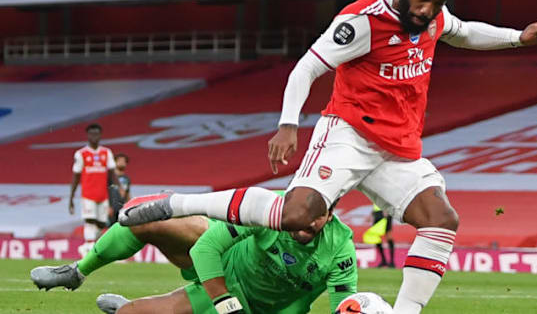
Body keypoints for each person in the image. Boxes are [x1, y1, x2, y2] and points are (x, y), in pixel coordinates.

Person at [120, 0, 537, 314]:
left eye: (437, 2)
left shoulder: (434, 18)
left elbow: (464, 32)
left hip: (397, 150)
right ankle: (173, 203)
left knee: (441, 222)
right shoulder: (363, 21)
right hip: (347, 136)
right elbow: (308, 66)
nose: (427, 10)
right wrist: (289, 123)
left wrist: (520, 37)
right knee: (295, 216)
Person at [31, 198, 357, 314]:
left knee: (133, 313)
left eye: (319, 215)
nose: (307, 222)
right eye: (304, 212)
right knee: (145, 219)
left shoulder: (341, 249)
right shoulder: (269, 208)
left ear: (332, 215)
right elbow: (206, 248)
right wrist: (227, 305)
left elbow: (342, 305)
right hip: (224, 265)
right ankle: (77, 271)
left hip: (255, 307)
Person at [69, 123, 123, 254]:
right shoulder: (81, 154)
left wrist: (119, 188)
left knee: (101, 223)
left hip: (102, 195)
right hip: (88, 194)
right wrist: (71, 197)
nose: (94, 136)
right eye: (92, 134)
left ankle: (90, 246)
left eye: (96, 133)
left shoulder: (106, 152)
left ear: (100, 135)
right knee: (89, 220)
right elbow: (76, 176)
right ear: (88, 135)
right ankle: (87, 247)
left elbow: (112, 173)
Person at [107, 153, 131, 226]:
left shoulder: (127, 179)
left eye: (124, 161)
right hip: (111, 207)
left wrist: (129, 205)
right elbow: (105, 191)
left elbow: (127, 193)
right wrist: (107, 206)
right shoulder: (109, 177)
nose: (122, 163)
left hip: (121, 208)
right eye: (119, 161)